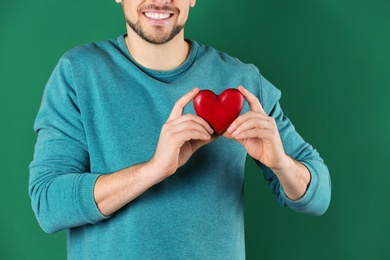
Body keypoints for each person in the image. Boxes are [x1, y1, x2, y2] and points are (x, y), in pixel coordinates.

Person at [29, 0, 331, 259]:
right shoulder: (78, 73)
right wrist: (153, 169)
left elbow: (318, 196)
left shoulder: (242, 82)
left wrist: (281, 164)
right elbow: (48, 203)